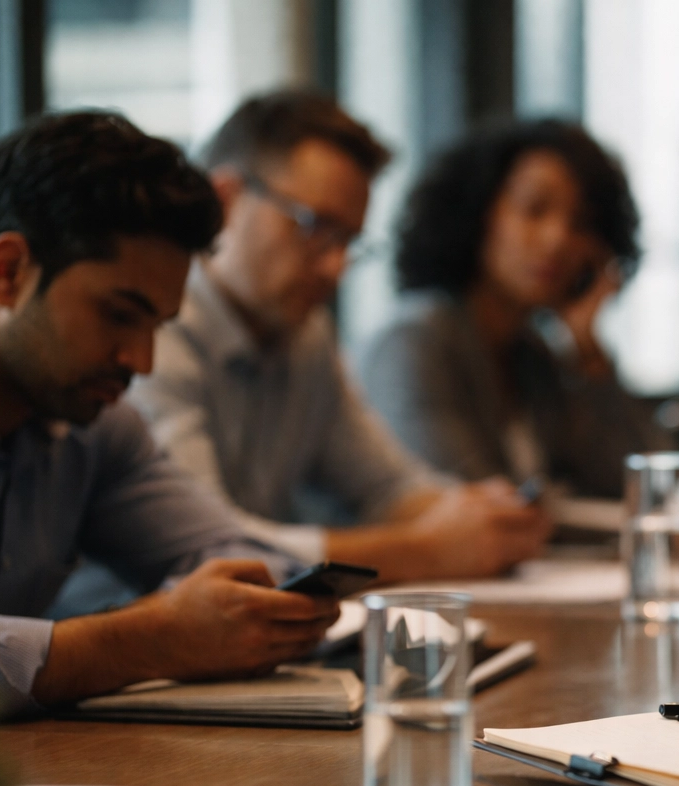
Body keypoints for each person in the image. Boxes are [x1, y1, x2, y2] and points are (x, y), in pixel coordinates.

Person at [0, 112, 337, 716]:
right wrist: (145, 639)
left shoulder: (94, 425)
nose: (140, 361)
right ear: (8, 273)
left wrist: (249, 607)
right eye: (119, 315)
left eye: (156, 327)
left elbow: (232, 553)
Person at [124, 91, 550, 583]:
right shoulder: (152, 331)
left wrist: (484, 517)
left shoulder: (305, 334)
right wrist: (426, 552)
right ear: (225, 201)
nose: (336, 266)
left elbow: (385, 487)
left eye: (348, 241)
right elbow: (210, 548)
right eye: (314, 227)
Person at [360, 119, 646, 499]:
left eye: (581, 223)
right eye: (534, 209)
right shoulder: (414, 343)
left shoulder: (532, 355)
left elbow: (629, 491)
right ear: (478, 211)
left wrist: (588, 348)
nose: (557, 239)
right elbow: (473, 511)